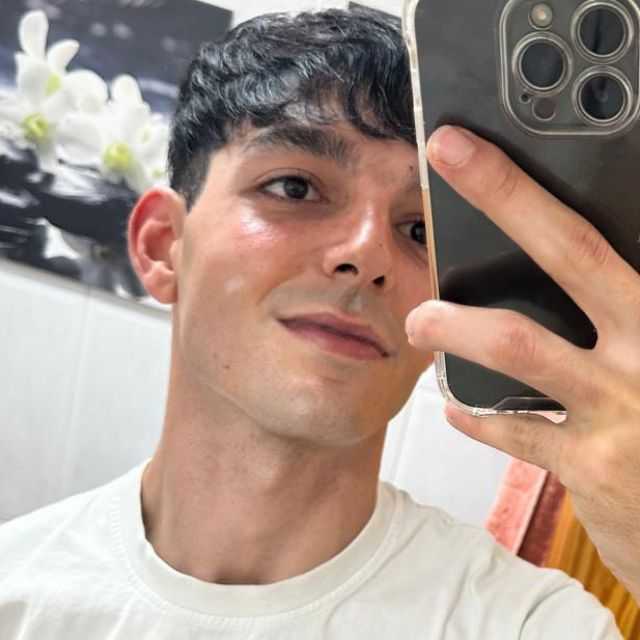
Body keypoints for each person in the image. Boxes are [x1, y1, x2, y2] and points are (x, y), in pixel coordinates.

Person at [0, 6, 636, 638]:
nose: (367, 254)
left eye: (419, 231)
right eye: (295, 188)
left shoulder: (529, 624)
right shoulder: (16, 597)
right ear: (164, 245)